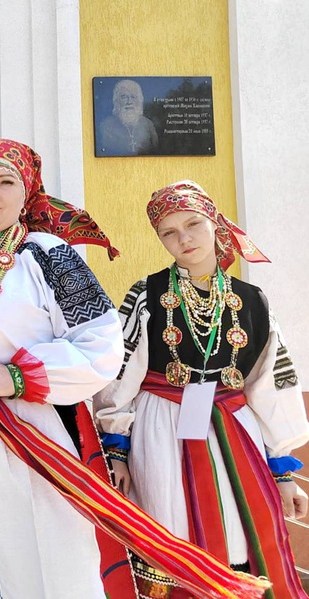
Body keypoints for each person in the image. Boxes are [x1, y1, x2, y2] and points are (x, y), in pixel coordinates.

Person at [0, 141, 270, 599]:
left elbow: (100, 344)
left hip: (30, 433)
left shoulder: (49, 256)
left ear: (27, 194)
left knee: (50, 556)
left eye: (7, 182)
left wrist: (15, 376)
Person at [94, 180, 309, 598]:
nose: (184, 239)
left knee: (238, 528)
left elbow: (271, 383)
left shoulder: (253, 300)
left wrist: (283, 470)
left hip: (234, 430)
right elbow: (120, 374)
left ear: (215, 223)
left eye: (193, 224)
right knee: (170, 524)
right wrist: (116, 450)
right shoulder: (146, 294)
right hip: (162, 428)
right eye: (168, 233)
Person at [98, 79, 159, 156]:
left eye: (133, 97)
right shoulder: (106, 126)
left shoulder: (147, 124)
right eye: (124, 97)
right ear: (117, 101)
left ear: (139, 100)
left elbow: (155, 151)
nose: (129, 101)